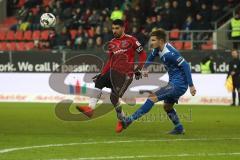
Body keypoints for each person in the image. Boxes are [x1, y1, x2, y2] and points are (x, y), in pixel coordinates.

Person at [116, 29, 196, 134]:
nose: (151, 42)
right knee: (167, 106)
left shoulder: (170, 53)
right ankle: (179, 128)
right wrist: (144, 69)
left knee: (152, 97)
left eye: (153, 40)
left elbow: (185, 65)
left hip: (178, 84)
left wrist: (191, 86)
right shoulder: (157, 49)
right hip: (174, 82)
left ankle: (128, 120)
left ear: (161, 41)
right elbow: (150, 58)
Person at [76, 19, 147, 124]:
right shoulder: (112, 42)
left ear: (123, 28)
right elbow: (110, 60)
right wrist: (102, 73)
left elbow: (143, 54)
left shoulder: (132, 40)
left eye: (117, 28)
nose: (114, 30)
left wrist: (139, 67)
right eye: (113, 28)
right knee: (99, 80)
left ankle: (122, 118)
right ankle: (90, 108)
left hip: (126, 75)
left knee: (113, 98)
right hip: (113, 72)